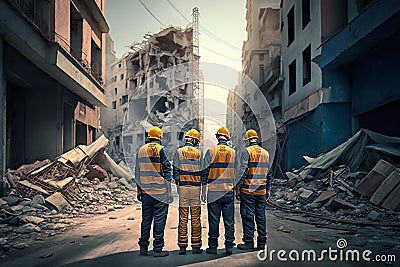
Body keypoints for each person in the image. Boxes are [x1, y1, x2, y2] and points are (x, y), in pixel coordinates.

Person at [135, 126, 173, 257]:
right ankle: (157, 248)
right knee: (159, 220)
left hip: (146, 192)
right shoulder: (162, 150)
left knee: (146, 220)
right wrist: (169, 192)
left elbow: (137, 172)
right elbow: (167, 172)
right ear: (159, 138)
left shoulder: (140, 151)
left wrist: (139, 190)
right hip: (160, 192)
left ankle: (143, 248)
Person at [235, 129, 273, 251]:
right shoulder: (266, 153)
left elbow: (243, 170)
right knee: (261, 216)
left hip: (248, 192)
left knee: (248, 216)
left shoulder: (247, 151)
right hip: (261, 192)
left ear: (248, 140)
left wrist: (238, 187)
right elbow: (269, 173)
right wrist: (268, 189)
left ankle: (248, 242)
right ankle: (262, 243)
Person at [202, 126, 236, 255]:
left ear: (217, 137)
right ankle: (229, 246)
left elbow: (204, 172)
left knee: (214, 219)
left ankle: (213, 247)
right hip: (228, 191)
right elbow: (237, 173)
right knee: (229, 220)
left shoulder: (211, 152)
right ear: (227, 138)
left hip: (213, 192)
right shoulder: (233, 152)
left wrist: (203, 191)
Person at [173, 129, 205, 255]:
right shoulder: (199, 153)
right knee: (196, 218)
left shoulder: (178, 152)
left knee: (183, 218)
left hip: (184, 189)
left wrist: (179, 187)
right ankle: (196, 247)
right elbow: (202, 173)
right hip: (196, 189)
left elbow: (175, 172)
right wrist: (202, 188)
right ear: (195, 140)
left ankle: (182, 246)